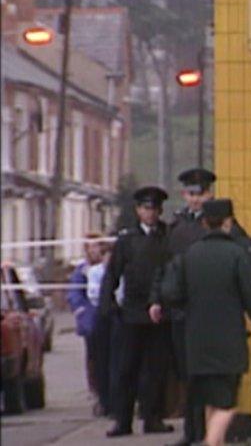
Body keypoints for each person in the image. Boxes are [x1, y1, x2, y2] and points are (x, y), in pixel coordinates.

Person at [149, 168, 251, 446]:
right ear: (184, 195)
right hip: (183, 313)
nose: (195, 200)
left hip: (212, 315)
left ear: (210, 194)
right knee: (187, 374)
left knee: (208, 377)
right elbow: (163, 266)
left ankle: (207, 435)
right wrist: (156, 299)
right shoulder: (177, 227)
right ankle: (193, 431)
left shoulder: (223, 226)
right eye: (191, 194)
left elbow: (245, 252)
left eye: (200, 194)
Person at [163, 199, 251, 446]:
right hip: (229, 343)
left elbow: (171, 293)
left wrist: (188, 310)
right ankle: (211, 442)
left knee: (210, 401)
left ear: (204, 223)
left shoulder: (189, 255)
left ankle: (215, 442)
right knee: (227, 404)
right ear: (228, 222)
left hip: (196, 342)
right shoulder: (237, 255)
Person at [99, 186, 175, 438]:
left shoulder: (167, 237)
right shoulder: (127, 240)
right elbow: (112, 274)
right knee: (125, 369)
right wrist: (108, 305)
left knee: (155, 369)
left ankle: (153, 417)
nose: (149, 213)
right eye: (145, 208)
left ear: (160, 211)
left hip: (158, 313)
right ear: (138, 210)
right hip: (131, 311)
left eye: (153, 209)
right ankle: (122, 420)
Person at [67, 233, 112, 416]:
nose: (94, 250)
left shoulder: (109, 266)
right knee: (95, 362)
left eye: (97, 246)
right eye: (90, 246)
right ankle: (99, 396)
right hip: (92, 323)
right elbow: (74, 294)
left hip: (110, 320)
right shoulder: (82, 271)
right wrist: (82, 313)